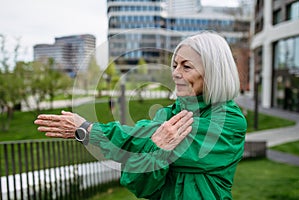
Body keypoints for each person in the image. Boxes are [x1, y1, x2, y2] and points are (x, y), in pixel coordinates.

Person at [34, 31, 247, 200]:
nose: (175, 73)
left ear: (213, 71)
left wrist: (89, 130)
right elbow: (139, 181)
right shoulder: (169, 113)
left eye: (186, 66)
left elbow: (142, 138)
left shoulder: (229, 121)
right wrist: (156, 149)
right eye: (174, 65)